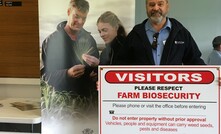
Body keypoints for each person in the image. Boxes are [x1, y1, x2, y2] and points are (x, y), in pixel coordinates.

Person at [41, 0, 100, 97]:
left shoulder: (90, 40)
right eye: (76, 16)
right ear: (68, 12)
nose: (80, 22)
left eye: (83, 18)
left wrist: (97, 69)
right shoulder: (50, 41)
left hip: (87, 102)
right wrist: (67, 74)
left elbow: (96, 73)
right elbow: (45, 76)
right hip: (61, 103)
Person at [117, 0, 205, 65]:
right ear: (146, 7)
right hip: (143, 89)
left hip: (173, 88)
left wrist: (213, 78)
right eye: (151, 5)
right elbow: (121, 63)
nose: (155, 8)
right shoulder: (135, 34)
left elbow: (195, 61)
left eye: (160, 4)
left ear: (167, 6)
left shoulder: (181, 33)